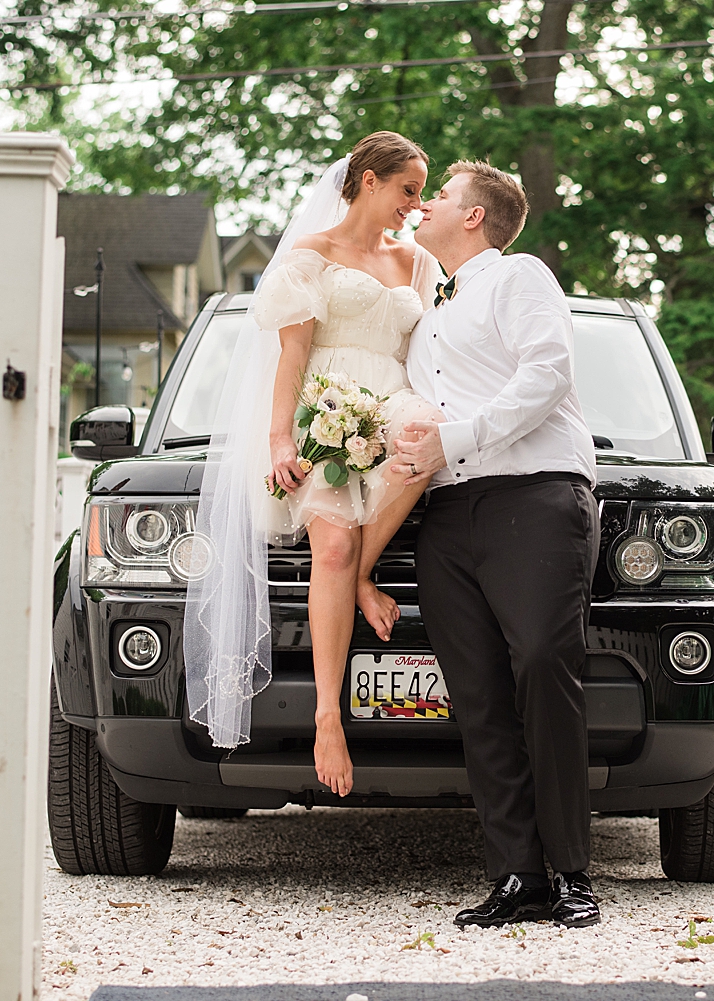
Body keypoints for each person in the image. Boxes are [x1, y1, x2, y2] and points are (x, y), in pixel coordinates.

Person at [182, 132, 442, 798]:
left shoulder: (417, 262)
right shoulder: (309, 256)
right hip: (324, 405)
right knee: (329, 543)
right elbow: (292, 360)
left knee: (424, 434)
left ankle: (361, 579)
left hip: (393, 402)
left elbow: (441, 352)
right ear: (368, 181)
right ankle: (329, 715)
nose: (414, 206)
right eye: (408, 190)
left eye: (420, 193)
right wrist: (278, 442)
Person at [394, 162, 602, 928]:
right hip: (446, 515)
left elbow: (547, 372)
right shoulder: (428, 308)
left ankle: (574, 873)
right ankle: (519, 876)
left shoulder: (519, 278)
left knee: (546, 668)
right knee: (477, 696)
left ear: (475, 216)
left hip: (534, 494)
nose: (425, 206)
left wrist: (457, 437)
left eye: (438, 196)